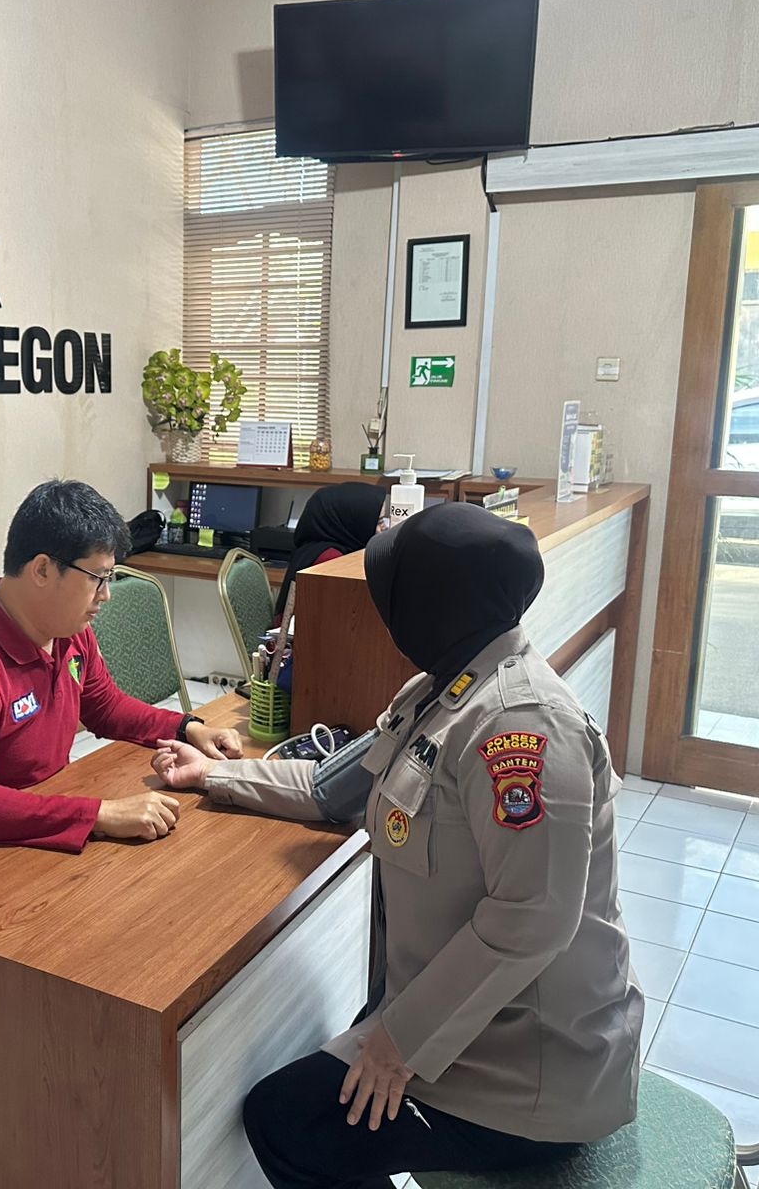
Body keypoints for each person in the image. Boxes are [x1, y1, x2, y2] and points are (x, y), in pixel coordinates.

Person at [153, 502, 641, 1187]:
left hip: (527, 1075)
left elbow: (531, 921)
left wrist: (395, 1046)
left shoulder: (523, 727)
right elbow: (332, 788)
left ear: (436, 606)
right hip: (469, 1024)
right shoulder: (443, 689)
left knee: (286, 1122)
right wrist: (213, 775)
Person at [0, 480, 242, 854]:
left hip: (35, 832)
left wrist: (188, 728)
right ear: (42, 569)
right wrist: (98, 815)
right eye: (98, 578)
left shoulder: (68, 633)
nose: (106, 595)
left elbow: (106, 708)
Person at [274, 482, 388, 620]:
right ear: (356, 522)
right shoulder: (330, 560)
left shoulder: (318, 546)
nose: (385, 527)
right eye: (378, 522)